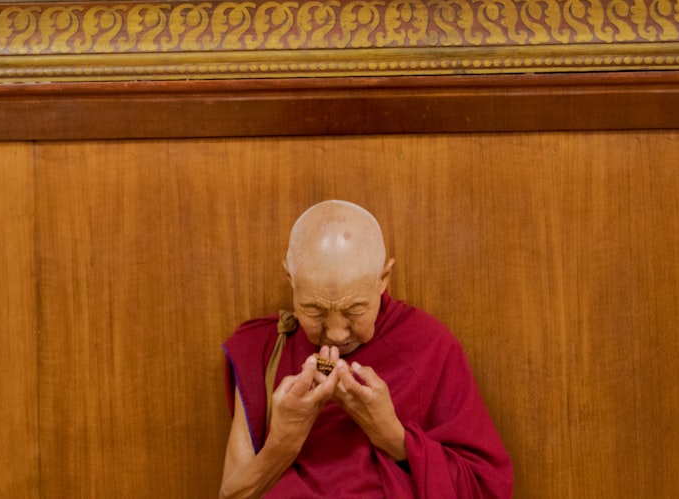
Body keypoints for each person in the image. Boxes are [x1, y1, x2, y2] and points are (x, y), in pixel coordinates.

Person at [220, 200, 513, 498]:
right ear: (290, 280)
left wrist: (391, 436)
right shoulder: (266, 349)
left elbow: (485, 487)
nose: (335, 333)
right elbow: (231, 495)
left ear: (383, 280)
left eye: (355, 309)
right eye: (314, 309)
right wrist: (284, 442)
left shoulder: (427, 346)